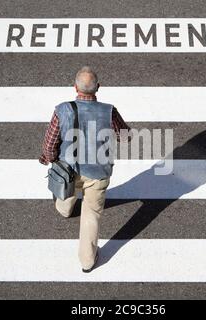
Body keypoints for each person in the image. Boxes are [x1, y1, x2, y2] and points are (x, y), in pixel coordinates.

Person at [39, 66, 130, 272]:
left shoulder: (62, 110)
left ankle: (64, 209)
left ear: (75, 87)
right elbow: (125, 136)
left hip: (68, 168)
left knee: (65, 191)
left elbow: (50, 141)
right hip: (98, 172)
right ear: (98, 87)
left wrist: (49, 158)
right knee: (91, 215)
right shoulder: (109, 111)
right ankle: (88, 261)